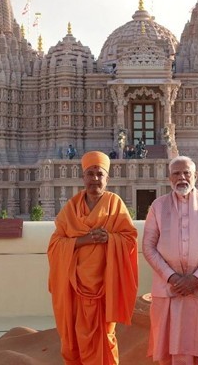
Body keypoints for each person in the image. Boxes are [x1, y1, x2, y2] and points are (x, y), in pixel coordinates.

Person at [48, 151, 139, 364]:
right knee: (73, 337)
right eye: (90, 174)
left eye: (100, 174)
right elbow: (54, 245)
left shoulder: (115, 204)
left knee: (105, 337)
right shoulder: (71, 207)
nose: (95, 179)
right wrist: (83, 240)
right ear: (83, 178)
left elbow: (130, 239)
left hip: (105, 287)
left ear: (107, 179)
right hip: (74, 286)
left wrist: (109, 238)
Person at [143, 156, 198, 364]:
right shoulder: (158, 206)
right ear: (169, 178)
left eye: (186, 173)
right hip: (168, 290)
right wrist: (172, 277)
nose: (182, 177)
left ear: (195, 176)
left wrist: (197, 278)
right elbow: (148, 247)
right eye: (176, 173)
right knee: (167, 351)